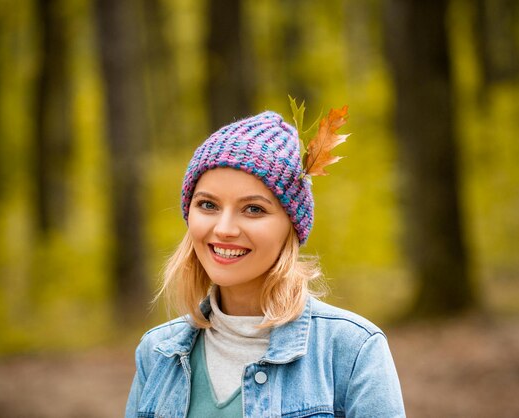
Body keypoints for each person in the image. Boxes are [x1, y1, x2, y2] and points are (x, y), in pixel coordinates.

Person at [125, 110, 405, 417]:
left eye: (254, 209)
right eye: (208, 205)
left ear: (291, 226)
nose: (225, 229)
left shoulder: (351, 350)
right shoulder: (157, 353)